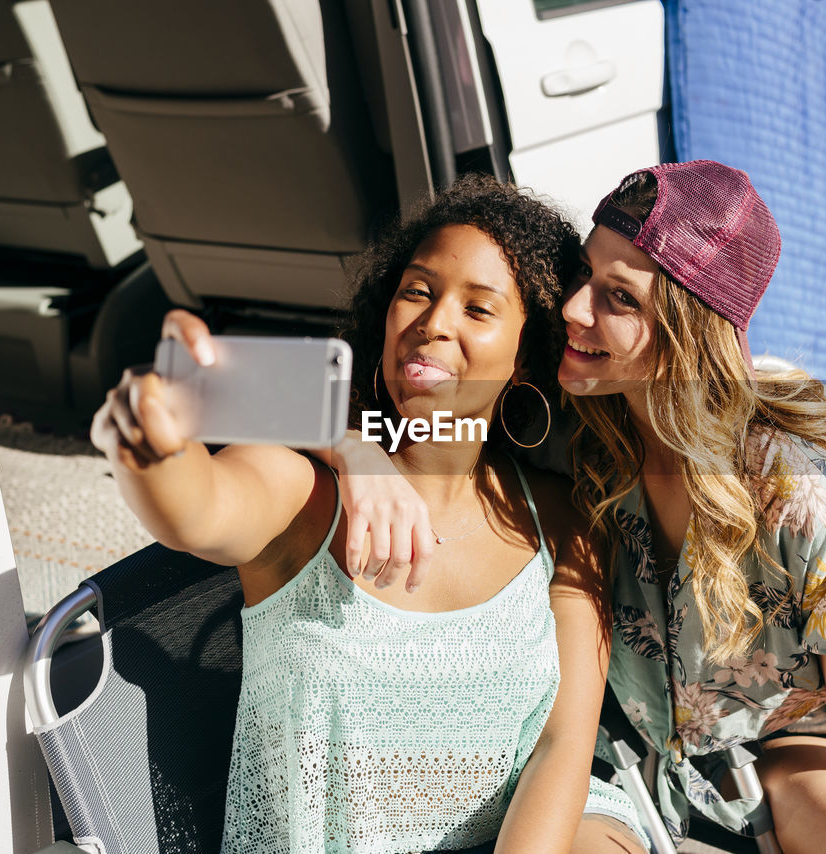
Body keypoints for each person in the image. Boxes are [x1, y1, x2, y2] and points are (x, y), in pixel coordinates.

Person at [330, 162, 826, 854]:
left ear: (687, 334)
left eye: (620, 299)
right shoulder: (575, 427)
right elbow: (418, 421)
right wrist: (353, 447)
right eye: (584, 276)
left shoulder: (797, 487)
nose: (573, 308)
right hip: (780, 736)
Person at [89, 175, 648, 854]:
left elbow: (562, 743)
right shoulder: (304, 496)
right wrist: (151, 432)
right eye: (417, 290)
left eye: (478, 309)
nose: (434, 323)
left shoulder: (558, 518)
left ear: (524, 358)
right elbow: (194, 510)